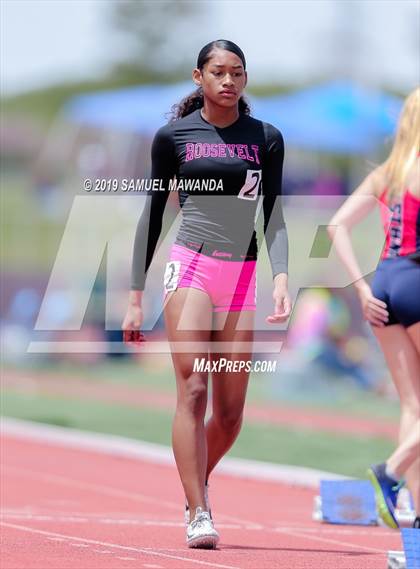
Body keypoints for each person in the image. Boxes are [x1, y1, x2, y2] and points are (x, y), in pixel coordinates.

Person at [121, 39, 291, 548]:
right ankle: (198, 509)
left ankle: (194, 477)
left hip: (241, 273)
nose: (228, 81)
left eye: (237, 72)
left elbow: (274, 213)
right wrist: (135, 292)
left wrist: (281, 275)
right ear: (199, 77)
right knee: (193, 389)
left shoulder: (266, 138)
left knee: (232, 411)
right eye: (218, 72)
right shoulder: (173, 137)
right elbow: (154, 214)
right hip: (190, 266)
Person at [328, 87, 420, 530]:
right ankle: (392, 470)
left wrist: (362, 289)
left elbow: (336, 226)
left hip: (383, 282)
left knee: (412, 406)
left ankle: (417, 516)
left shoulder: (388, 172)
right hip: (417, 280)